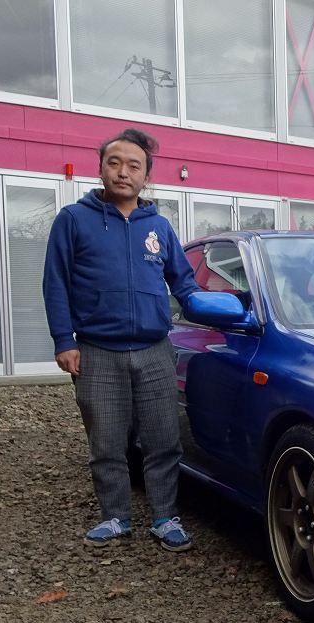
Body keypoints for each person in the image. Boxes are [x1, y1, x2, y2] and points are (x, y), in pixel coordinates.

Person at [43, 128, 200, 552]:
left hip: (154, 350)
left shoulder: (159, 227)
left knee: (163, 440)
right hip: (96, 351)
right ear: (101, 169)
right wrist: (64, 340)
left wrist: (215, 306)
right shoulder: (73, 220)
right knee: (107, 442)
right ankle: (115, 516)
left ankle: (165, 517)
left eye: (134, 166)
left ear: (146, 176)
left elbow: (184, 284)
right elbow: (55, 283)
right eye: (114, 163)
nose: (123, 172)